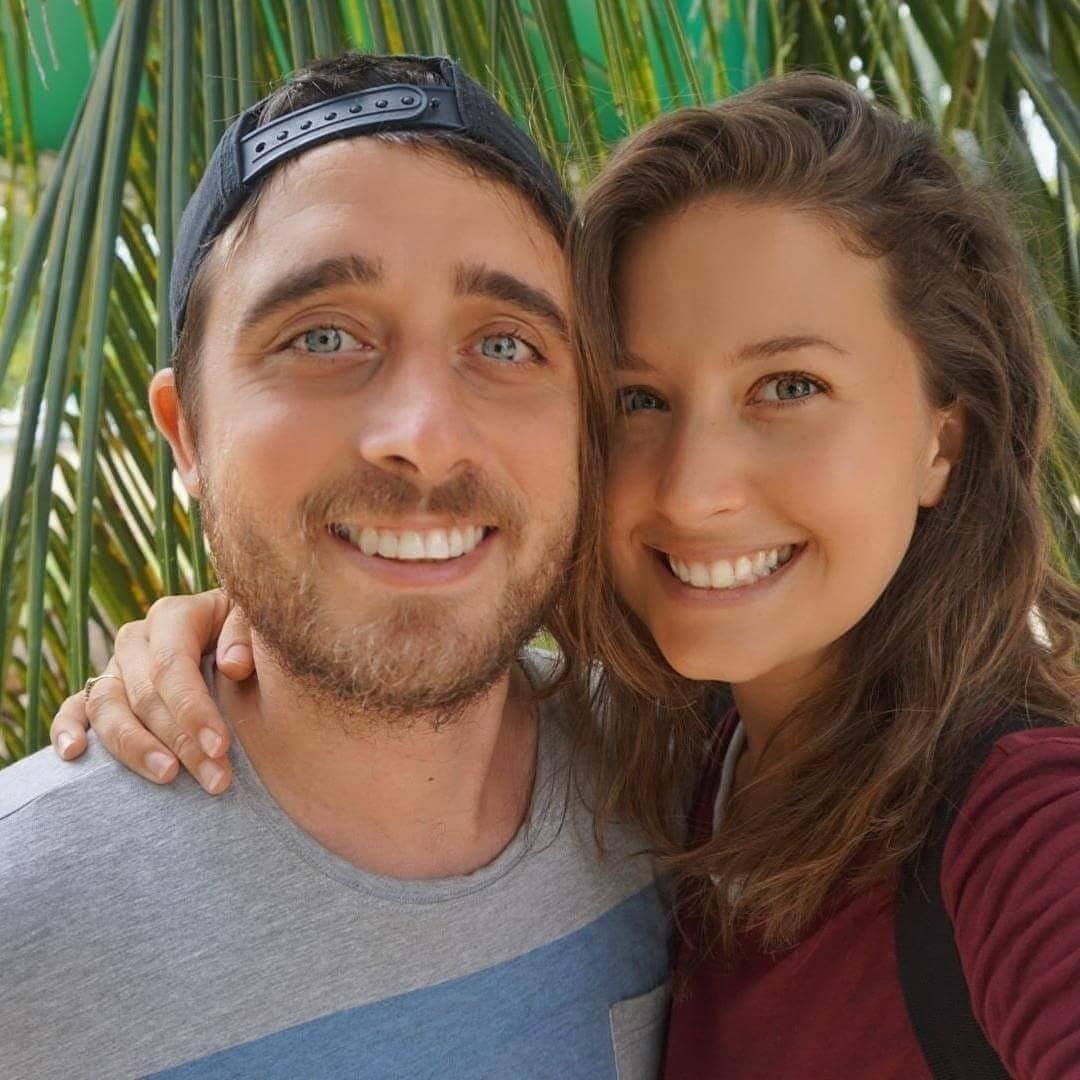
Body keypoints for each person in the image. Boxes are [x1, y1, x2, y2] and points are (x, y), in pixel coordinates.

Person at [58, 73, 1080, 1077]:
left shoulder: (1022, 826)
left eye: (789, 386)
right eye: (639, 400)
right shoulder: (674, 761)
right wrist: (272, 611)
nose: (694, 490)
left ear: (944, 441)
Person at [0, 53, 672, 1080]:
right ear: (187, 434)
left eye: (505, 346)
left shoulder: (693, 794)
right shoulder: (25, 924)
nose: (426, 438)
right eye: (323, 335)